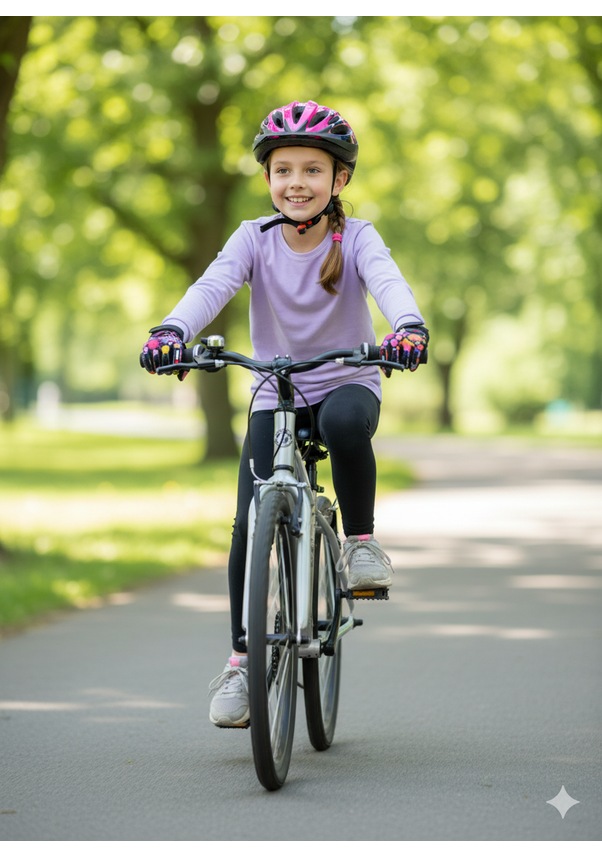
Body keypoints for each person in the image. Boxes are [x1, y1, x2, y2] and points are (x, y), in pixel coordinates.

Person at [140, 100, 429, 729]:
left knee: (346, 425)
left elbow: (389, 283)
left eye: (312, 170)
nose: (296, 182)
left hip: (346, 377)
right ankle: (243, 663)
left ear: (339, 180)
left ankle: (359, 544)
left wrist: (407, 326)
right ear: (268, 179)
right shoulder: (253, 238)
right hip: (275, 388)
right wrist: (171, 330)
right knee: (248, 521)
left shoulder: (358, 238)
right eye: (283, 170)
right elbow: (212, 286)